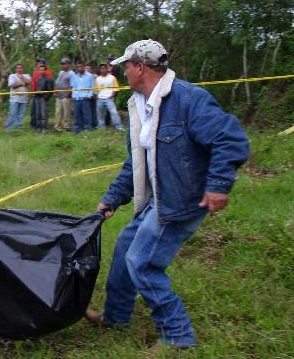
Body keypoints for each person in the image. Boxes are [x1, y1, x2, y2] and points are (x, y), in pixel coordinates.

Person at [85, 40, 249, 349]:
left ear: (140, 68)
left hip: (182, 200)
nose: (124, 71)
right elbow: (137, 162)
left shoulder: (188, 99)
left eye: (127, 66)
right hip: (157, 197)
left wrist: (218, 185)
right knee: (124, 248)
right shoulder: (140, 104)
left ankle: (177, 337)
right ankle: (116, 317)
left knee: (143, 263)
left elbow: (230, 139)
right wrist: (112, 199)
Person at [95, 63, 123, 131]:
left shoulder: (112, 77)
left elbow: (115, 88)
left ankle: (119, 127)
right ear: (100, 70)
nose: (103, 70)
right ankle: (101, 127)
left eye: (104, 68)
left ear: (107, 69)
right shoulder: (97, 79)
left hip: (109, 98)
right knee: (100, 114)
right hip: (100, 98)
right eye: (101, 68)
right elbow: (96, 90)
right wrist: (97, 96)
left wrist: (111, 96)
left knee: (114, 112)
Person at [70, 62, 95, 134]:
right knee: (77, 115)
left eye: (80, 66)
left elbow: (92, 87)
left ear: (84, 67)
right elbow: (74, 87)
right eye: (78, 67)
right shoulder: (74, 76)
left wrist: (89, 95)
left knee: (86, 114)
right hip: (77, 98)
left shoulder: (90, 76)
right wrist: (73, 96)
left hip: (85, 98)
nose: (79, 68)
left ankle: (88, 128)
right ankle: (77, 129)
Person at [5, 63, 31, 131]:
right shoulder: (12, 76)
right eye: (18, 68)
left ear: (23, 69)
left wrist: (22, 78)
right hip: (14, 98)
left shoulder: (27, 75)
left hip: (24, 99)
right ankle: (8, 129)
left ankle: (18, 129)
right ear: (16, 69)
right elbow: (12, 85)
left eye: (21, 68)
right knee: (12, 114)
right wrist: (22, 83)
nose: (19, 69)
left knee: (20, 116)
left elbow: (28, 82)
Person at [30, 58, 54, 129]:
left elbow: (50, 85)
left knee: (43, 112)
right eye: (38, 63)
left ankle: (44, 127)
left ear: (44, 64)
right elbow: (33, 83)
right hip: (36, 95)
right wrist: (33, 93)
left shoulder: (48, 72)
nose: (39, 64)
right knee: (35, 112)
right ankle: (36, 126)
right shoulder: (35, 72)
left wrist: (47, 95)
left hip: (44, 96)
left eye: (40, 62)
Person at [54, 58, 74, 131]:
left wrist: (68, 95)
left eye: (64, 63)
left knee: (66, 112)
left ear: (69, 64)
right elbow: (56, 82)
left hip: (66, 96)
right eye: (62, 64)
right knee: (58, 112)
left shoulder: (71, 73)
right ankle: (57, 126)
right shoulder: (61, 73)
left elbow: (72, 85)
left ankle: (67, 126)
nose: (63, 65)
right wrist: (55, 91)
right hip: (59, 95)